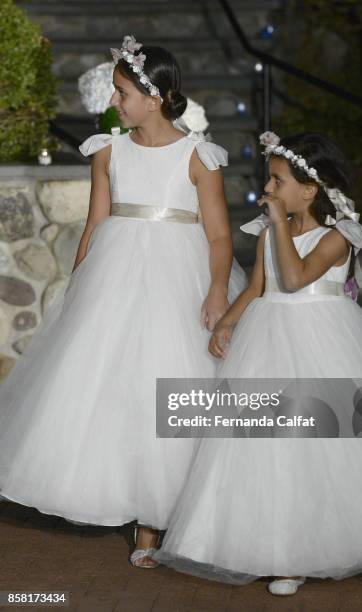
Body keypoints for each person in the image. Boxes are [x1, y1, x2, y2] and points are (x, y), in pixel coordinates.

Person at [0, 36, 246, 569]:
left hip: (178, 275)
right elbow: (95, 222)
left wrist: (218, 289)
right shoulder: (108, 151)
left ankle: (162, 515)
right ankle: (136, 509)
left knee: (169, 382)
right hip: (116, 274)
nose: (115, 101)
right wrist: (79, 284)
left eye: (123, 92)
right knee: (114, 387)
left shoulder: (198, 156)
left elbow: (221, 236)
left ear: (154, 97)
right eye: (115, 91)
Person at [154, 131, 362, 594]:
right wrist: (227, 323)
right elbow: (257, 286)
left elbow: (293, 278)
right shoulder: (272, 229)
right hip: (267, 337)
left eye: (276, 180)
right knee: (265, 445)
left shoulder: (338, 235)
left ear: (309, 190)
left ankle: (300, 555)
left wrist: (276, 224)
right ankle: (265, 543)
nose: (266, 189)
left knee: (317, 445)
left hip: (322, 342)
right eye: (269, 181)